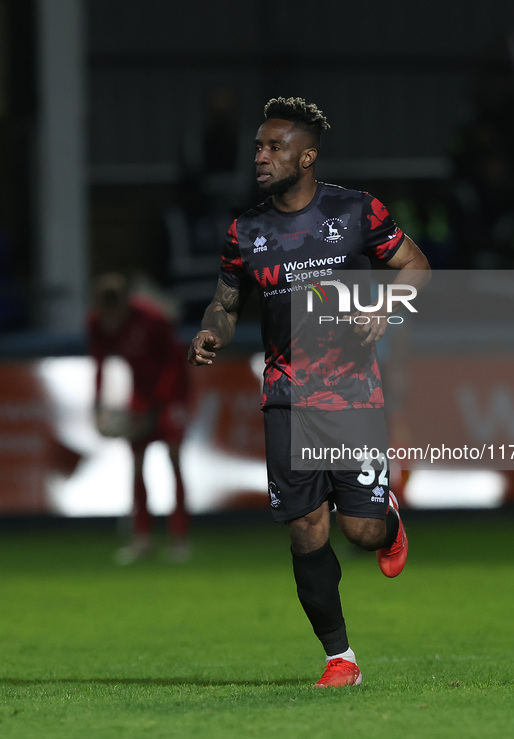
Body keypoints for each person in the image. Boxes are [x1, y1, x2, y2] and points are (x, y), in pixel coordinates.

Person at [188, 97, 430, 686]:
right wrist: (211, 331)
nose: (260, 157)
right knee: (305, 528)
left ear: (308, 156)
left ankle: (387, 520)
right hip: (286, 396)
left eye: (274, 148)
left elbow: (416, 265)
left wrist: (388, 306)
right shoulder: (246, 231)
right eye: (257, 148)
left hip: (352, 394)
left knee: (361, 532)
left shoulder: (356, 210)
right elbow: (225, 303)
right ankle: (339, 658)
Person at [88, 273, 191, 564]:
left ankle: (180, 538)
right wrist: (97, 404)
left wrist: (158, 405)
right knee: (135, 463)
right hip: (140, 394)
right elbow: (99, 363)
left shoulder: (153, 319)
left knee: (173, 459)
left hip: (172, 392)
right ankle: (142, 537)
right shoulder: (97, 322)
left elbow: (173, 364)